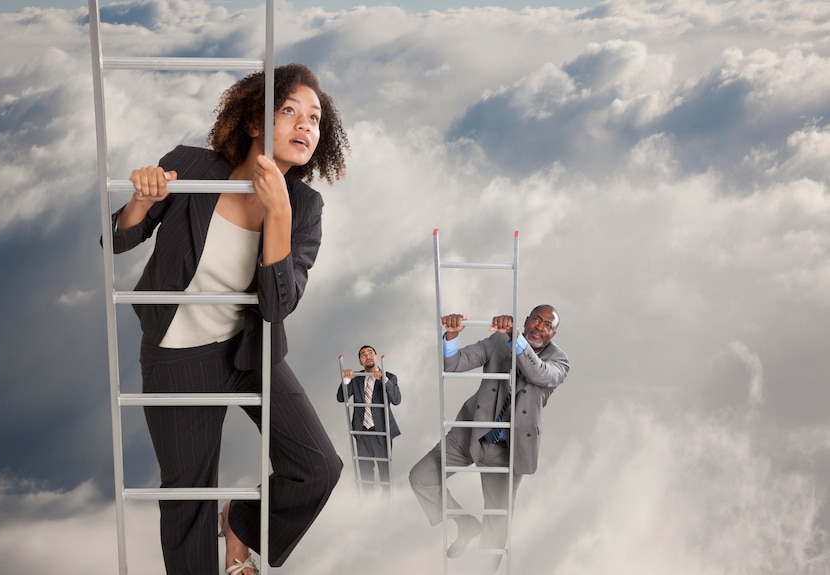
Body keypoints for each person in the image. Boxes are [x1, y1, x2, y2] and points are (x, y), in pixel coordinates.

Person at [110, 63, 349, 575]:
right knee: (188, 495)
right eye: (290, 112)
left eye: (315, 120)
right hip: (178, 355)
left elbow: (277, 306)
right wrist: (139, 200)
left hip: (249, 349)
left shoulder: (305, 206)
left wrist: (279, 214)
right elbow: (115, 239)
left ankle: (241, 522)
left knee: (316, 468)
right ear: (254, 122)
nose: (306, 126)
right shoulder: (189, 165)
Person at [408, 305, 570, 573]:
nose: (540, 328)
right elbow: (454, 363)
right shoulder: (497, 341)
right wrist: (451, 335)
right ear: (527, 320)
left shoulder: (559, 361)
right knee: (421, 476)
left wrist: (516, 339)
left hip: (508, 449)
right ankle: (465, 523)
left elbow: (539, 373)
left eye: (548, 325)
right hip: (471, 430)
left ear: (554, 333)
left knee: (497, 520)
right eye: (537, 320)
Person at [337, 345, 401, 493]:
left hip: (382, 432)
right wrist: (346, 380)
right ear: (361, 362)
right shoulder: (356, 378)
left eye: (370, 353)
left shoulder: (390, 377)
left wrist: (383, 380)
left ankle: (387, 506)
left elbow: (397, 400)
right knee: (366, 475)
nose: (367, 356)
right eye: (363, 355)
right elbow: (341, 398)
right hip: (362, 433)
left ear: (376, 357)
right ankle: (368, 507)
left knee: (386, 474)